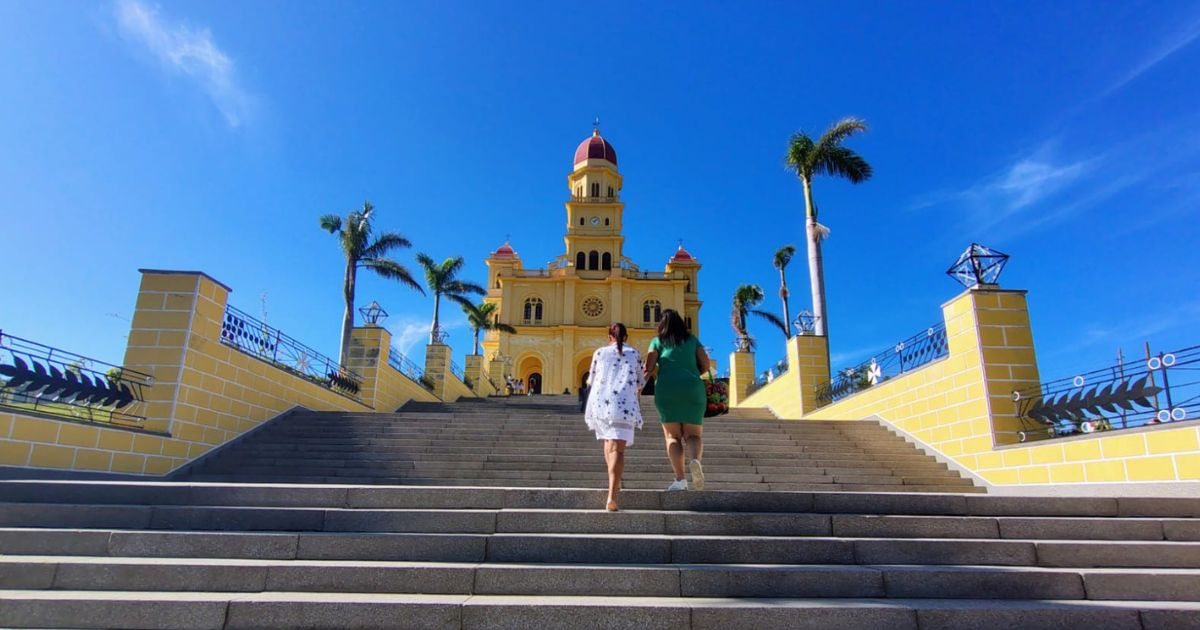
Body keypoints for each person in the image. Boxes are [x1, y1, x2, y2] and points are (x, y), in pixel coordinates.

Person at [644, 308, 710, 491]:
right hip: (692, 387)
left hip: (667, 389)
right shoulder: (692, 340)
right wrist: (693, 373)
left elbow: (648, 366)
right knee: (694, 435)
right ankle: (695, 460)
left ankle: (680, 480)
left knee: (672, 436)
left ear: (661, 324)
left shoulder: (657, 341)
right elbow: (706, 363)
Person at [584, 323, 645, 511]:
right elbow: (641, 381)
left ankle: (614, 481)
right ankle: (612, 495)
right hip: (624, 405)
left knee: (608, 443)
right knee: (617, 450)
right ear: (626, 337)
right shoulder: (634, 353)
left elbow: (590, 380)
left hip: (601, 403)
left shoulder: (599, 353)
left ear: (609, 337)